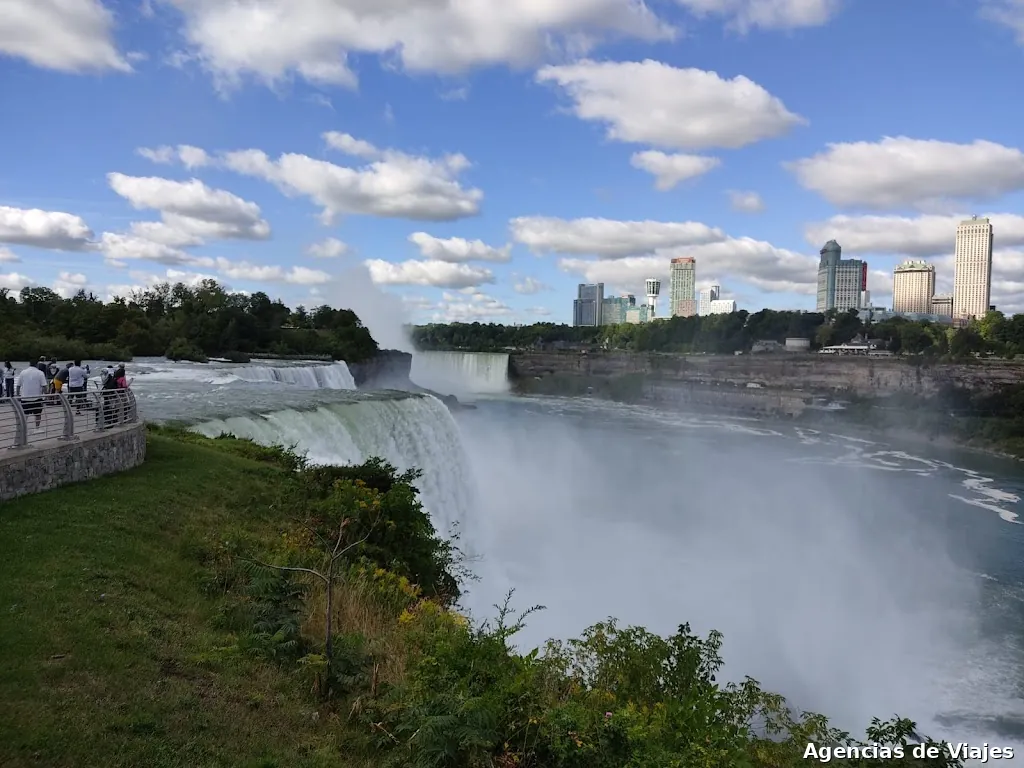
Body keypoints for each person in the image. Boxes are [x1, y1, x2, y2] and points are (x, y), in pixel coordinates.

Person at [16, 360, 47, 429]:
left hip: (25, 397)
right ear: (37, 365)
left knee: (25, 414)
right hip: (37, 397)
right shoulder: (40, 373)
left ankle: (23, 428)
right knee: (38, 414)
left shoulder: (23, 372)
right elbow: (44, 386)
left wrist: (18, 395)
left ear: (29, 364)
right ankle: (37, 428)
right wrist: (46, 395)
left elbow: (18, 386)